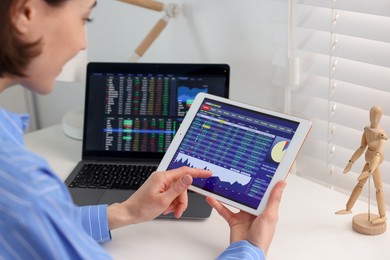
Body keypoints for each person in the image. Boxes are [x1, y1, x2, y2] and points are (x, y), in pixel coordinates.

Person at [0, 0, 286, 259]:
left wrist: (126, 211)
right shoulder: (24, 184)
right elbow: (35, 214)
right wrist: (249, 248)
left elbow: (43, 226)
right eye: (85, 19)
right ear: (26, 12)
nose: (83, 44)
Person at [336, 105, 387, 224]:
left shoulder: (382, 135)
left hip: (374, 164)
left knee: (379, 189)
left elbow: (378, 153)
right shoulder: (367, 130)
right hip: (369, 162)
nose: (374, 117)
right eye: (372, 113)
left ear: (380, 117)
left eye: (377, 115)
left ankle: (383, 215)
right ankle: (348, 208)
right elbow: (362, 147)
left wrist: (371, 170)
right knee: (359, 184)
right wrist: (351, 162)